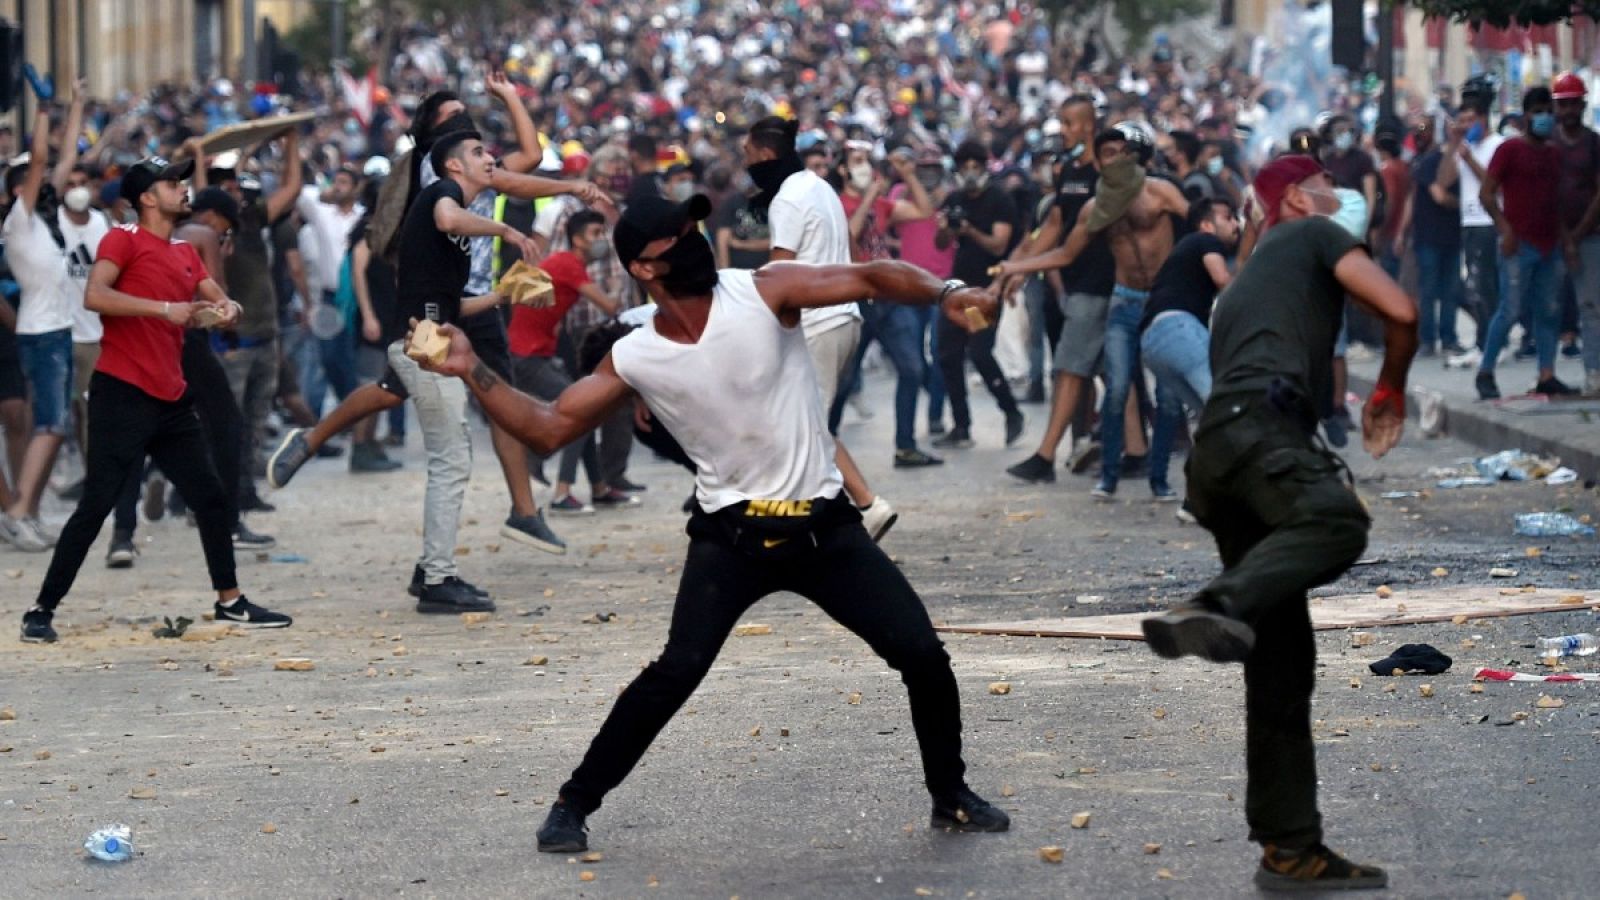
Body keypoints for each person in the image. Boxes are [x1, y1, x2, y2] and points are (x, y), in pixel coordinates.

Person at [410, 191, 1011, 853]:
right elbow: (549, 430)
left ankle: (949, 796)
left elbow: (870, 275)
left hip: (826, 530)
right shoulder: (637, 354)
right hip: (732, 539)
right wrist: (471, 370)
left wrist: (947, 289)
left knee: (923, 655)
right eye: (675, 236)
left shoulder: (766, 289)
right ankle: (571, 804)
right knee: (676, 671)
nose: (693, 238)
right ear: (643, 267)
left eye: (692, 225)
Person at [1139, 155, 1416, 891]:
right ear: (1297, 198)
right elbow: (1402, 309)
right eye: (1327, 185)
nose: (1341, 197)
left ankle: (1289, 848)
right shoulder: (1310, 235)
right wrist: (1391, 385)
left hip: (1219, 460)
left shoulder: (1248, 286)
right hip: (1263, 436)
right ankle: (1216, 602)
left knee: (1281, 663)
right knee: (1335, 520)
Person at [20, 156, 294, 643]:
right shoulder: (121, 239)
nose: (183, 189)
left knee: (210, 497)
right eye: (172, 183)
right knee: (97, 504)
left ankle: (229, 601)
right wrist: (164, 309)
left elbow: (216, 297)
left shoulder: (186, 252)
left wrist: (228, 309)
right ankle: (41, 610)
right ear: (147, 197)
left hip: (170, 397)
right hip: (121, 393)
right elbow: (96, 297)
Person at [996, 126, 1188, 499]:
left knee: (1168, 395)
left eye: (1122, 151)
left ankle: (1159, 478)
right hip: (1124, 301)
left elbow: (1196, 222)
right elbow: (1065, 253)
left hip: (1163, 302)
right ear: (1098, 163)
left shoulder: (1158, 191)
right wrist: (1015, 268)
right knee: (1115, 388)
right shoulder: (1094, 208)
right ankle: (1109, 479)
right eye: (1108, 154)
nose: (1116, 159)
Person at [744, 116, 896, 540]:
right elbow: (847, 241)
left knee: (806, 426)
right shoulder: (818, 186)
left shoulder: (788, 199)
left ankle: (861, 507)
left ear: (765, 154)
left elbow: (779, 270)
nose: (745, 163)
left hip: (818, 322)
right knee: (805, 420)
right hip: (842, 317)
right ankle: (837, 510)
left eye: (748, 154)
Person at [999, 96, 1114, 484]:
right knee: (1110, 373)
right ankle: (1131, 450)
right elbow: (1053, 226)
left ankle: (1046, 455)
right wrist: (1022, 268)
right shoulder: (1067, 171)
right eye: (1061, 122)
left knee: (1068, 368)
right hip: (1078, 282)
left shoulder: (1107, 170)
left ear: (1088, 126)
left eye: (1069, 123)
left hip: (1099, 283)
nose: (1063, 131)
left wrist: (1020, 267)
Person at [1, 87, 88, 550]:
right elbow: (39, 160)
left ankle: (26, 510)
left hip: (54, 330)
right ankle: (19, 510)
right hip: (41, 332)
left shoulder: (44, 223)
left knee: (52, 427)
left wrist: (74, 107)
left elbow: (60, 158)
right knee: (50, 425)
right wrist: (40, 113)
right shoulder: (18, 221)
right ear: (18, 190)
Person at [508, 209, 620, 515]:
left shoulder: (562, 263)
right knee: (580, 413)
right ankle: (561, 492)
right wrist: (621, 279)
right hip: (527, 356)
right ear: (577, 239)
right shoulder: (570, 265)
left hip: (532, 352)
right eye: (596, 234)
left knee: (583, 411)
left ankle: (598, 488)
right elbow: (610, 306)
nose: (602, 240)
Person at [1140, 197, 1238, 502]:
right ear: (1207, 224)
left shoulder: (1185, 250)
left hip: (1154, 341)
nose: (1235, 224)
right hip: (1178, 328)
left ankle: (1197, 500)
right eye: (1229, 218)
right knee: (1227, 409)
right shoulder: (1205, 240)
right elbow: (1223, 280)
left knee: (1212, 420)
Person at [1478, 86, 1572, 398]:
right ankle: (1486, 371)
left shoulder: (1554, 155)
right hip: (1518, 243)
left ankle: (1547, 374)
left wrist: (1565, 240)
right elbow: (1487, 193)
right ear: (1526, 116)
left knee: (1549, 310)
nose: (1544, 117)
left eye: (1548, 111)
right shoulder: (1509, 151)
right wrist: (1505, 230)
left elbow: (1557, 201)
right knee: (1510, 309)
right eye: (1538, 112)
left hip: (1550, 243)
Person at [931, 140, 1024, 451]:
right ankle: (961, 425)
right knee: (948, 354)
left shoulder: (999, 199)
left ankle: (1011, 411)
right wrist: (948, 229)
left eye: (976, 166)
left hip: (986, 290)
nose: (970, 172)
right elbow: (941, 243)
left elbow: (999, 246)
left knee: (980, 351)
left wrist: (969, 231)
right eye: (964, 166)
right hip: (958, 289)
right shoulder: (954, 198)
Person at [1436, 91, 1503, 359]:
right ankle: (1485, 340)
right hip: (1469, 222)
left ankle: (1488, 343)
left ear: (1483, 120)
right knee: (1476, 286)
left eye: (1470, 119)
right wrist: (1454, 146)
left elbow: (1493, 183)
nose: (1465, 125)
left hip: (1490, 220)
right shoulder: (1464, 146)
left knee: (1485, 285)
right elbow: (1443, 180)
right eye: (1461, 120)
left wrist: (1469, 159)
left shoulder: (1497, 145)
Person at [1399, 113, 1464, 358]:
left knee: (1446, 291)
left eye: (1425, 129)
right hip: (1430, 237)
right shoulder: (1426, 162)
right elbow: (1435, 195)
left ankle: (1443, 338)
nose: (1420, 134)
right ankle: (1431, 339)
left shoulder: (1450, 160)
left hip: (1447, 237)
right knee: (1433, 290)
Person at [1551, 73, 1600, 396]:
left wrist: (1578, 232)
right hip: (1551, 236)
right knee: (1546, 308)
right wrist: (1563, 234)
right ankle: (1546, 372)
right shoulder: (1548, 144)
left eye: (1573, 104)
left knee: (1591, 306)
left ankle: (1593, 372)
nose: (1569, 110)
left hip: (1590, 234)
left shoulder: (1593, 143)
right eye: (1563, 104)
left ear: (1582, 105)